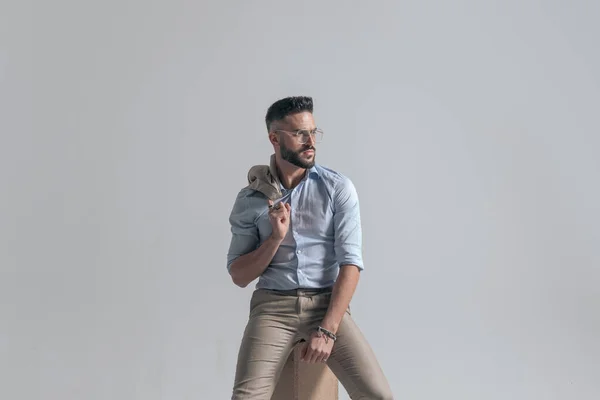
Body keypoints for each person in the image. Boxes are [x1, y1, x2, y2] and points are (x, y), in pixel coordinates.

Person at [226, 96, 393, 399]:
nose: (310, 141)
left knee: (379, 396)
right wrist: (275, 239)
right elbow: (239, 275)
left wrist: (328, 329)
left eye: (314, 132)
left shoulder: (337, 188)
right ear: (274, 138)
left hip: (326, 306)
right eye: (300, 134)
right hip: (272, 309)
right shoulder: (251, 199)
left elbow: (350, 264)